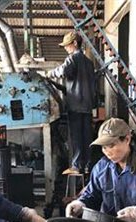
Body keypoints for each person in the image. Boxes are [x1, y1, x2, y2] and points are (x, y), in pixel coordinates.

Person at [65, 118, 136, 222]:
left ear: (127, 139)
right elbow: (92, 195)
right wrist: (80, 203)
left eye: (111, 145)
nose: (107, 151)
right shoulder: (101, 167)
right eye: (104, 147)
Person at [47, 31, 96, 175]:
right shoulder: (89, 63)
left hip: (75, 106)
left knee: (76, 138)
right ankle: (87, 166)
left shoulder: (73, 58)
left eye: (67, 45)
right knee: (86, 137)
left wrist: (50, 74)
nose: (65, 48)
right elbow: (78, 84)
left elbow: (63, 71)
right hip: (87, 106)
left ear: (75, 43)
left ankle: (76, 166)